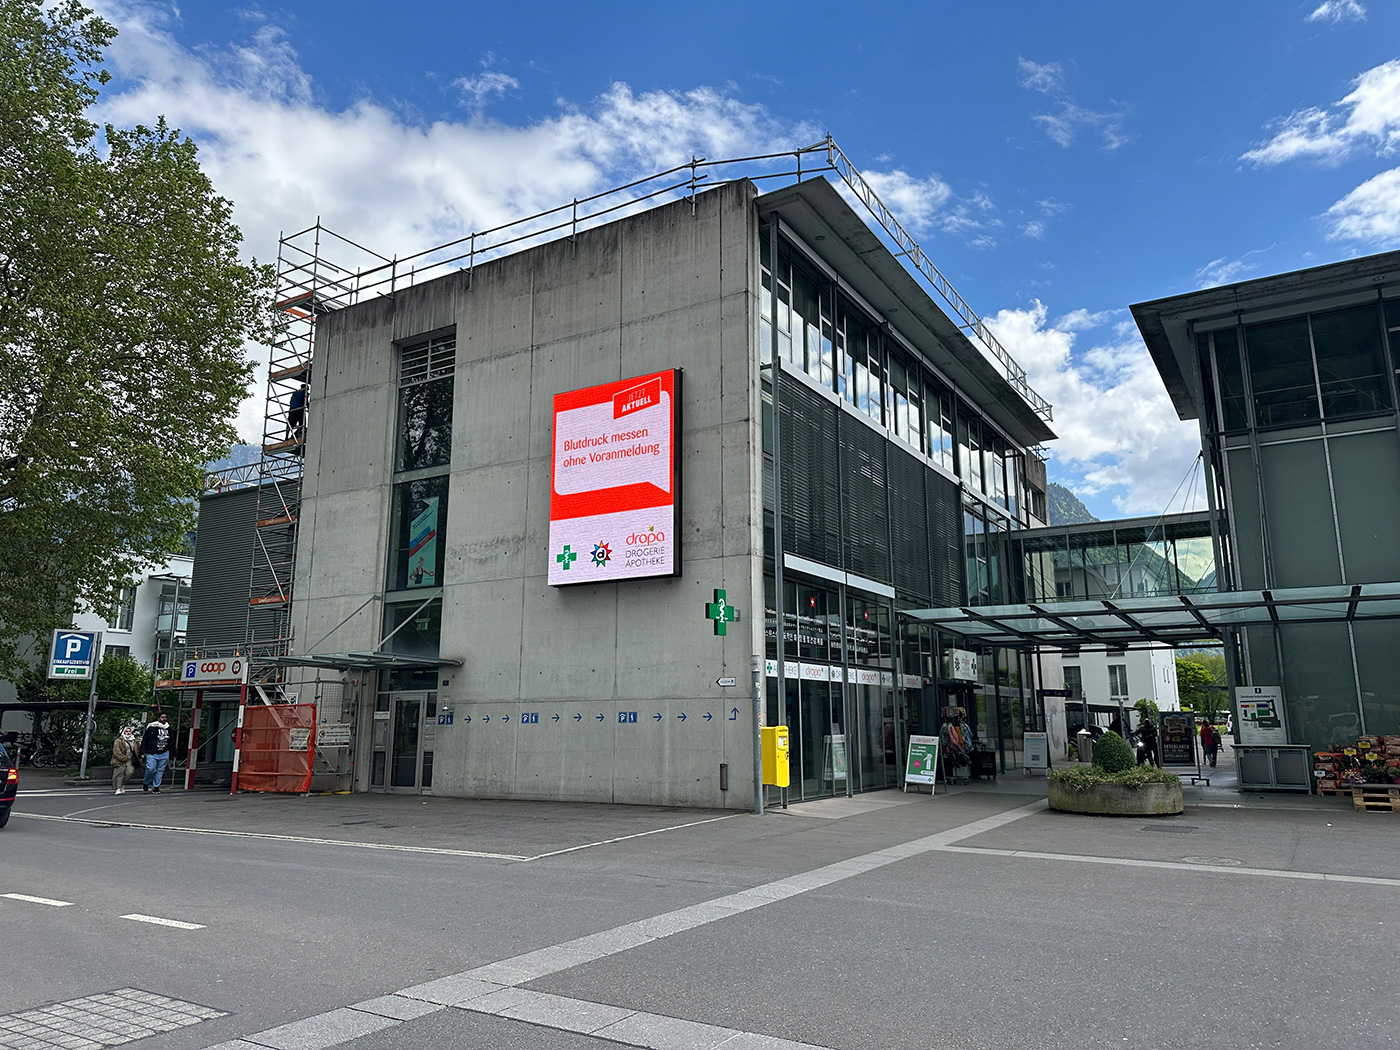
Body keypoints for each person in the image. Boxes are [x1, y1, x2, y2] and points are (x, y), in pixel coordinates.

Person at [140, 713, 173, 793]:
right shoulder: (152, 728)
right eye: (162, 717)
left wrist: (173, 752)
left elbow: (172, 741)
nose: (164, 719)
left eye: (165, 717)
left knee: (160, 770)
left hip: (164, 752)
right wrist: (142, 752)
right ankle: (146, 782)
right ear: (158, 718)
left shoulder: (168, 729)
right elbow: (145, 740)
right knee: (150, 768)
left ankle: (156, 786)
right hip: (152, 752)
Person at [111, 726, 137, 794]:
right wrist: (123, 758)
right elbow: (116, 751)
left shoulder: (134, 740)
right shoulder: (118, 740)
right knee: (120, 773)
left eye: (129, 731)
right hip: (120, 759)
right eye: (126, 731)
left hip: (130, 759)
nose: (128, 733)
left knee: (129, 772)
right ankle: (118, 788)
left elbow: (137, 749)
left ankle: (122, 784)